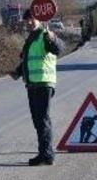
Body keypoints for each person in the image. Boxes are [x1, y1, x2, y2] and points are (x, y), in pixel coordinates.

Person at [10, 9, 65, 166]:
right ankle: (44, 153)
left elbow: (59, 49)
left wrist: (53, 39)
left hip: (43, 83)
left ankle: (47, 154)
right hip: (32, 83)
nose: (28, 22)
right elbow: (28, 60)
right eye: (26, 20)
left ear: (39, 19)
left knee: (42, 120)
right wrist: (18, 72)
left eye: (31, 19)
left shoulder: (44, 35)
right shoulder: (31, 38)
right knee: (38, 120)